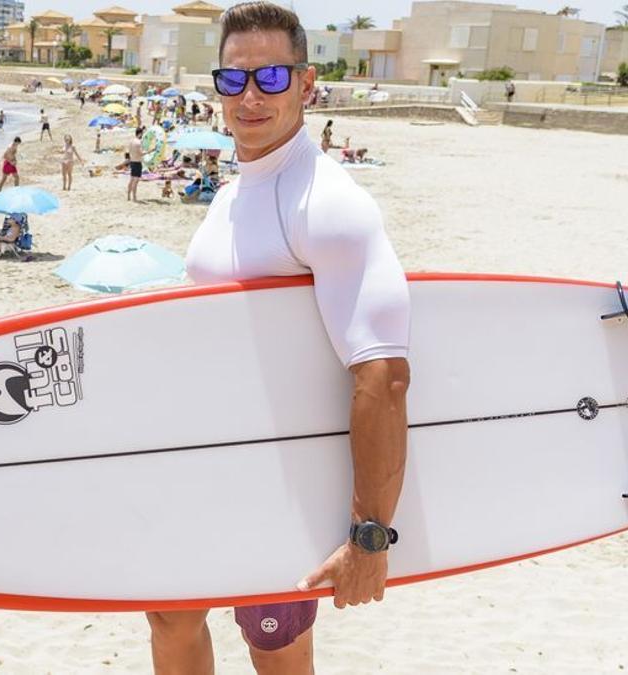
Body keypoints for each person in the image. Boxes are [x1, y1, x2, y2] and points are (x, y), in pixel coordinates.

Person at [165, 3, 411, 674]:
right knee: (169, 613)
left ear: (306, 85)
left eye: (271, 78)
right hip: (205, 464)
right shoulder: (230, 195)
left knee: (274, 648)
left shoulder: (328, 204)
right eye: (234, 79)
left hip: (284, 479)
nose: (250, 96)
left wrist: (370, 534)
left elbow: (382, 373)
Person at [126, 127, 144, 202]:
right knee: (135, 181)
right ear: (140, 134)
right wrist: (150, 151)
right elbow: (141, 153)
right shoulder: (138, 142)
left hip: (132, 161)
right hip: (137, 162)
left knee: (131, 179)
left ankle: (128, 196)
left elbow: (129, 152)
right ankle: (134, 197)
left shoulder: (131, 141)